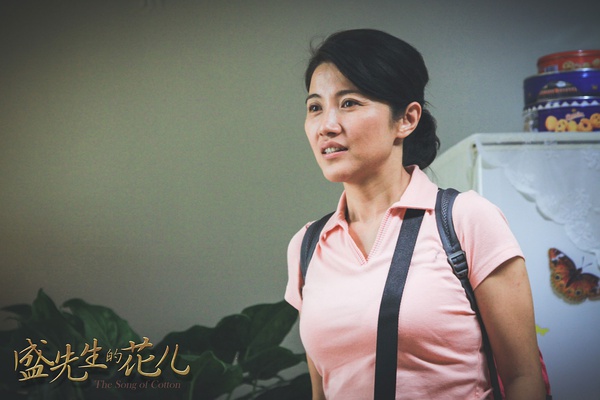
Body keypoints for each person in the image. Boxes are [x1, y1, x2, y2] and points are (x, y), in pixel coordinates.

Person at [284, 29, 546, 399]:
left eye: (349, 103)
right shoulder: (307, 246)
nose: (326, 125)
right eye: (315, 107)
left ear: (406, 119)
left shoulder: (465, 220)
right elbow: (322, 391)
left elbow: (523, 378)